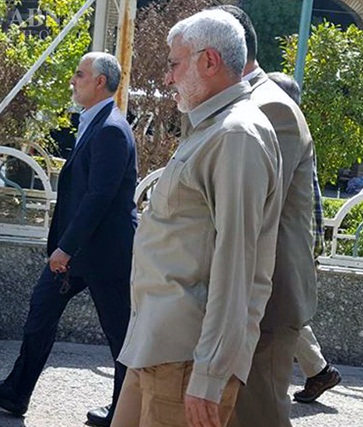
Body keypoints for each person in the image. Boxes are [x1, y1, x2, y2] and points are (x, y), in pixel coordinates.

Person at [111, 10, 283, 427]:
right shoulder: (214, 128)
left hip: (188, 360)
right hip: (159, 347)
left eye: (174, 64)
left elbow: (236, 266)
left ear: (209, 61)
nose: (167, 77)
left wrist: (209, 374)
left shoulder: (237, 135)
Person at [0, 52, 137, 427]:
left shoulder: (111, 129)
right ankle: (16, 393)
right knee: (40, 313)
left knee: (120, 334)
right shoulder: (94, 122)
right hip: (77, 252)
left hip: (105, 255)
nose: (72, 80)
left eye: (79, 74)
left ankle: (125, 410)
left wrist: (65, 247)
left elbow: (98, 198)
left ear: (100, 82)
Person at [210, 8, 318, 427]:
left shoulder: (270, 106)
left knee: (257, 414)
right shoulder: (244, 102)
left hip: (266, 298)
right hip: (245, 292)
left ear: (217, 53)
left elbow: (252, 211)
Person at [266, 70, 342, 404]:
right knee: (286, 308)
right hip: (297, 241)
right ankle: (319, 370)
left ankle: (319, 370)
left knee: (286, 310)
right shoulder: (295, 132)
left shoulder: (288, 134)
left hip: (291, 242)